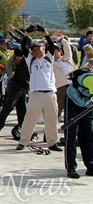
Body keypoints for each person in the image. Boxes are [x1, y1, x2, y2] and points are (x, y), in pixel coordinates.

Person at [16, 24, 62, 152]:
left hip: (50, 93)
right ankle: (23, 141)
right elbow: (23, 47)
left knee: (52, 119)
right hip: (36, 93)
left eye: (38, 49)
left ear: (43, 49)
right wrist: (26, 33)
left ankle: (52, 142)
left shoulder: (49, 58)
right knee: (30, 118)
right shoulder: (31, 60)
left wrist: (44, 31)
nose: (36, 51)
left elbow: (51, 46)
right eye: (34, 50)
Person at [64, 64, 93, 178]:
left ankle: (90, 166)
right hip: (73, 101)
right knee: (71, 134)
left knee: (88, 135)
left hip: (86, 103)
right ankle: (71, 167)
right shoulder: (91, 80)